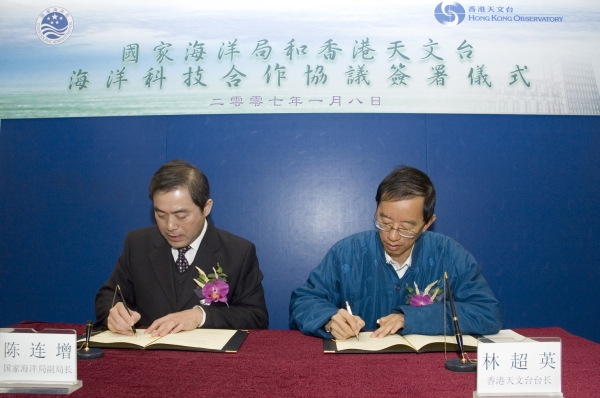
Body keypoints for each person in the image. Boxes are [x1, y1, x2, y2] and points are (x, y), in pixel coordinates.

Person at [289, 166, 502, 340]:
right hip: (357, 371)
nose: (392, 236)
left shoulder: (450, 255)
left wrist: (414, 318)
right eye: (384, 222)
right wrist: (328, 320)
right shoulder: (347, 252)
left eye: (406, 228)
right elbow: (304, 301)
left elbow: (487, 313)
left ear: (427, 223)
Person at [95, 159, 269, 336]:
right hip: (147, 355)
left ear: (206, 207)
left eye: (181, 216)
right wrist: (115, 312)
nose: (170, 226)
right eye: (161, 214)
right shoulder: (138, 243)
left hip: (208, 360)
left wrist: (200, 316)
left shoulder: (238, 252)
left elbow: (256, 315)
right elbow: (108, 295)